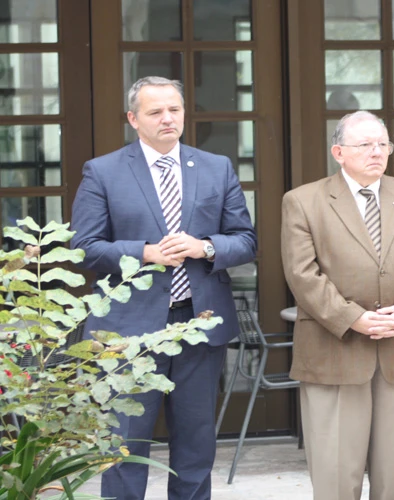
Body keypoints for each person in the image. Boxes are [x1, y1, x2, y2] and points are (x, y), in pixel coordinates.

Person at [70, 76, 257, 499]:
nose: (167, 118)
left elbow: (246, 240)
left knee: (196, 442)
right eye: (155, 112)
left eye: (174, 109)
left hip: (198, 325)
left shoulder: (216, 167)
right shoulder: (103, 171)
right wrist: (145, 253)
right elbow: (83, 248)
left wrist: (205, 246)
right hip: (127, 331)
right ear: (133, 119)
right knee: (125, 443)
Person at [281, 111, 394, 500]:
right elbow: (302, 274)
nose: (377, 152)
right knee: (336, 475)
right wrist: (352, 317)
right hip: (334, 350)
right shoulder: (303, 201)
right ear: (338, 152)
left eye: (382, 144)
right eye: (364, 145)